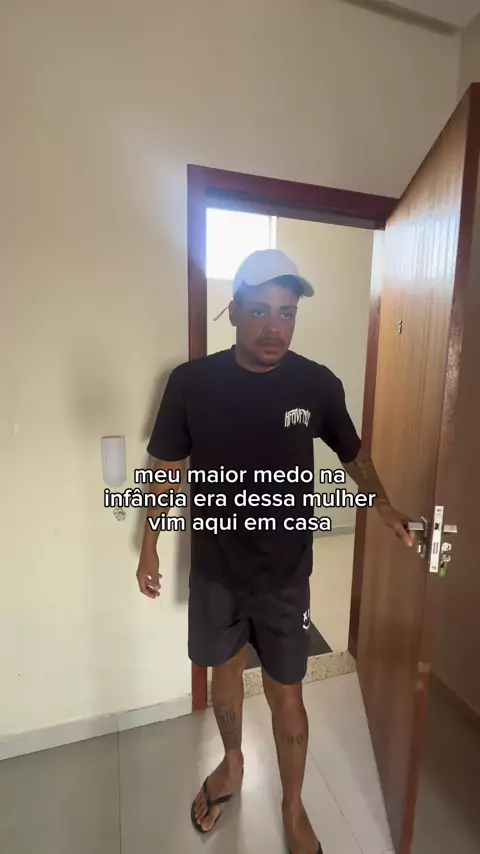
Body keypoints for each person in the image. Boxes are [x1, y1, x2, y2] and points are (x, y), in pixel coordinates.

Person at [136, 248, 414, 854]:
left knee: (288, 690)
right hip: (216, 572)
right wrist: (149, 545)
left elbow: (353, 456)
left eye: (287, 313)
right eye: (260, 310)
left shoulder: (317, 383)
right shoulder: (191, 383)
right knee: (224, 674)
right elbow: (165, 469)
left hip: (286, 576)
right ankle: (233, 762)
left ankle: (292, 806)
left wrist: (384, 505)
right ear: (233, 311)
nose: (274, 327)